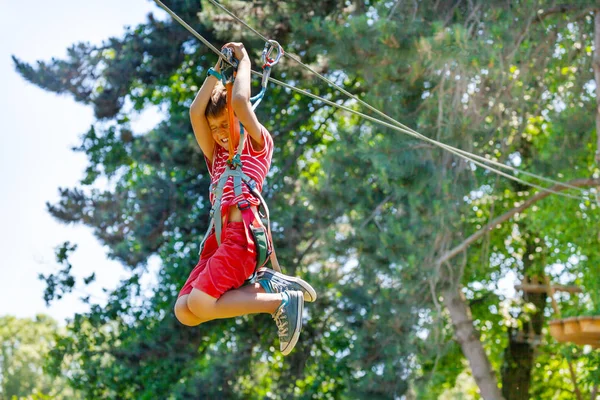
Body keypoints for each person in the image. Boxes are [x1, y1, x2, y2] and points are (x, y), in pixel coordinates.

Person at [173, 42, 317, 355]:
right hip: (218, 242)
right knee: (185, 310)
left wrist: (244, 61)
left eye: (225, 124)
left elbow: (238, 100)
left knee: (200, 301)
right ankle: (268, 287)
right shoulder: (216, 157)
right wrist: (216, 68)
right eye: (215, 129)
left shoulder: (256, 143)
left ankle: (279, 300)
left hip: (243, 237)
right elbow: (195, 112)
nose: (221, 133)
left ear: (241, 119)